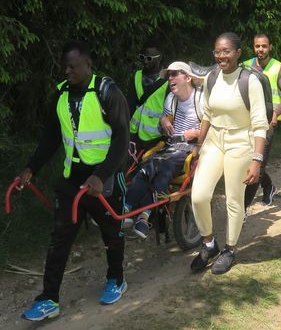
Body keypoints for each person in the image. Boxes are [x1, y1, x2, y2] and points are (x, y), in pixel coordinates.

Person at [18, 42, 130, 321]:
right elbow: (50, 138)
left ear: (88, 64)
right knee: (60, 237)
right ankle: (49, 299)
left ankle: (116, 279)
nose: (67, 71)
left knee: (111, 232)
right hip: (72, 180)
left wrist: (100, 176)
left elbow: (121, 140)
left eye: (73, 66)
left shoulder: (107, 92)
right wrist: (31, 168)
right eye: (64, 66)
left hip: (105, 177)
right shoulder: (60, 95)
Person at [190, 33, 268, 275]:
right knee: (199, 196)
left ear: (238, 52)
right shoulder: (211, 77)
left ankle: (229, 250)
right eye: (217, 52)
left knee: (234, 200)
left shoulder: (249, 81)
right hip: (215, 139)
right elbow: (207, 115)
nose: (221, 56)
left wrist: (257, 160)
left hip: (241, 141)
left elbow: (259, 124)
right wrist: (199, 145)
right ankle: (209, 242)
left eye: (226, 51)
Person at [124, 62, 203, 239]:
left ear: (188, 78)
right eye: (169, 75)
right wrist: (163, 121)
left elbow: (213, 127)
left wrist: (196, 133)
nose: (170, 78)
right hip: (171, 147)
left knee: (163, 166)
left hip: (192, 151)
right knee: (147, 166)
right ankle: (133, 212)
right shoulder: (171, 99)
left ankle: (139, 214)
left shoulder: (201, 100)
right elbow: (165, 119)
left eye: (175, 74)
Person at [243, 33, 281, 210]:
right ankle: (269, 186)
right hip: (247, 121)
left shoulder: (279, 68)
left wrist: (277, 112)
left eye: (264, 46)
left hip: (268, 122)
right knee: (246, 162)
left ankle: (242, 209)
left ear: (270, 47)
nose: (260, 49)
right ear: (253, 47)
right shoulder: (245, 66)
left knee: (258, 162)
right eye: (257, 46)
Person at [129, 43, 168, 150]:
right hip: (134, 133)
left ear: (159, 58)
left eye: (149, 58)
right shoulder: (136, 76)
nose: (145, 61)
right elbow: (130, 105)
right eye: (142, 57)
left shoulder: (168, 79)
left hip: (156, 136)